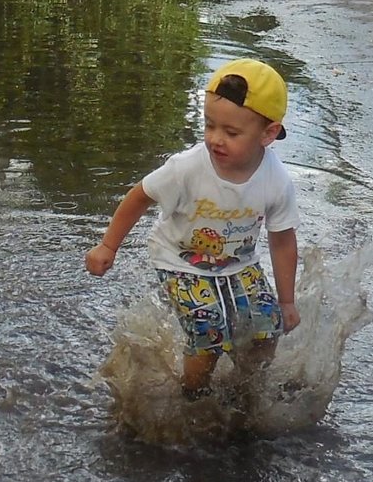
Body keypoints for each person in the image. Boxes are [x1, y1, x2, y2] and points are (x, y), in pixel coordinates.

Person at [85, 58, 301, 399]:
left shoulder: (276, 180)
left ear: (268, 134)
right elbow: (139, 196)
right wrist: (108, 246)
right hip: (179, 259)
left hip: (239, 263)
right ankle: (193, 397)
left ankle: (245, 391)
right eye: (209, 125)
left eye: (231, 133)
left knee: (267, 326)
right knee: (209, 331)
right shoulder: (186, 168)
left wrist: (287, 300)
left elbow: (283, 240)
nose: (216, 139)